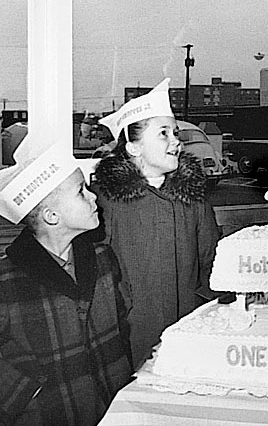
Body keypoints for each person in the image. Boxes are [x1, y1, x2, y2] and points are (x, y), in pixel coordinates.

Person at [0, 137, 133, 426]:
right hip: (55, 414)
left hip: (116, 408)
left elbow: (122, 319)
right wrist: (26, 394)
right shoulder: (2, 283)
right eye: (80, 192)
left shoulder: (102, 257)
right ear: (51, 216)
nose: (93, 197)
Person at [92, 78, 220, 367]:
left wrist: (201, 310)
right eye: (163, 133)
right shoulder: (104, 202)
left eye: (175, 132)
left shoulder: (193, 197)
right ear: (134, 148)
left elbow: (212, 263)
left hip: (187, 336)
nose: (176, 140)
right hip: (127, 339)